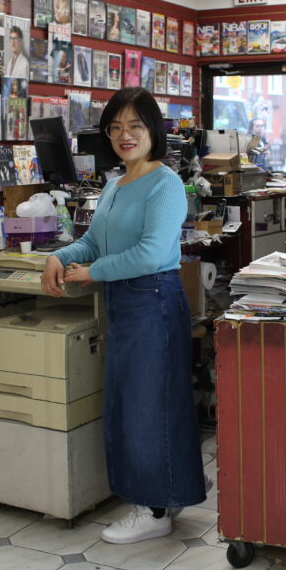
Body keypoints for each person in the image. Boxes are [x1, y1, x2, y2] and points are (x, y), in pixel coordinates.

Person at [42, 87, 207, 544]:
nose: (124, 135)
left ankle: (152, 509)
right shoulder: (117, 183)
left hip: (153, 299)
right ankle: (164, 495)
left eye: (134, 125)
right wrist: (60, 257)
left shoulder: (167, 184)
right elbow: (95, 242)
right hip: (123, 300)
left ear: (153, 129)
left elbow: (152, 253)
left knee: (147, 406)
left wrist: (92, 272)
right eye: (115, 127)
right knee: (131, 402)